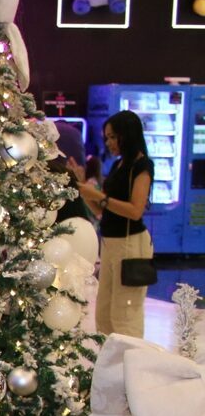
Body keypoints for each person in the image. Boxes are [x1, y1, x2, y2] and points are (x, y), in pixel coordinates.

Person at [81, 110, 154, 336]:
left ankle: (130, 356)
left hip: (130, 244)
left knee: (124, 315)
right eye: (107, 138)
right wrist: (84, 190)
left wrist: (99, 197)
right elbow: (102, 211)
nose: (109, 142)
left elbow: (135, 210)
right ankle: (110, 356)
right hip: (110, 243)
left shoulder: (142, 166)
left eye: (113, 137)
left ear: (127, 135)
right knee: (104, 312)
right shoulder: (118, 165)